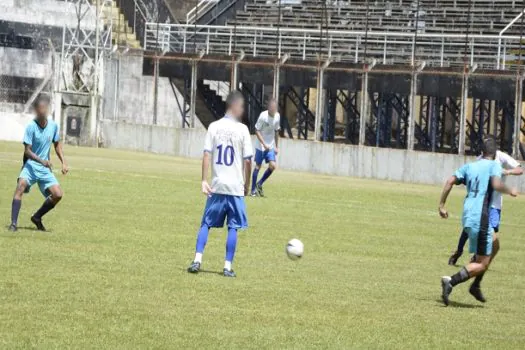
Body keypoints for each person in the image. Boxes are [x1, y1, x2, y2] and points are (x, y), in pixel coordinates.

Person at [439, 137, 518, 306]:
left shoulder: (470, 165)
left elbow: (450, 181)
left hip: (468, 215)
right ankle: (450, 281)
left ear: (482, 152)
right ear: (495, 153)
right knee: (482, 263)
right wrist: (510, 189)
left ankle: (475, 284)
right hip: (481, 217)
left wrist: (442, 205)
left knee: (495, 245)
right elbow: (496, 184)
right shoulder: (494, 165)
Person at [187, 91, 253, 277]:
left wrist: (203, 180)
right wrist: (247, 184)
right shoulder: (243, 130)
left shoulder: (213, 127)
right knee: (233, 227)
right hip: (235, 188)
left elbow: (207, 154)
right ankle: (227, 266)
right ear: (236, 106)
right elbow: (248, 161)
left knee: (206, 223)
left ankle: (197, 260)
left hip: (216, 185)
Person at [448, 147, 522, 265]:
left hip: (495, 205)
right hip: (481, 202)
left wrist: (507, 172)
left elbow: (520, 170)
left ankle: (475, 259)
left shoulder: (501, 157)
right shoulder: (480, 159)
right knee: (470, 228)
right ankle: (459, 251)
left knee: (491, 235)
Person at [8, 94, 68, 232]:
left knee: (58, 194)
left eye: (44, 109)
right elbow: (27, 151)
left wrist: (64, 162)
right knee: (20, 186)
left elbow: (57, 145)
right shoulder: (31, 127)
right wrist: (42, 161)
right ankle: (13, 224)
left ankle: (37, 217)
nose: (42, 111)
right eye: (40, 109)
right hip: (31, 165)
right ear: (36, 110)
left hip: (44, 169)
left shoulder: (53, 126)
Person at [251, 98, 280, 197]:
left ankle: (260, 184)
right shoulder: (263, 116)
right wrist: (263, 144)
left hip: (270, 146)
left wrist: (276, 146)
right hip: (260, 146)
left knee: (273, 166)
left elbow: (276, 131)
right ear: (268, 108)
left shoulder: (277, 116)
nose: (273, 109)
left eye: (275, 108)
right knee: (258, 166)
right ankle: (253, 190)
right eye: (271, 108)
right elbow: (257, 130)